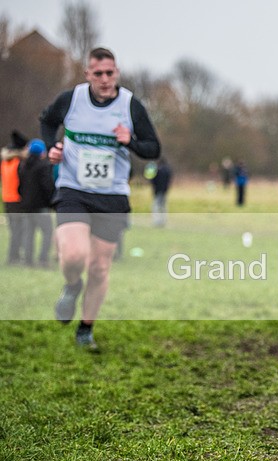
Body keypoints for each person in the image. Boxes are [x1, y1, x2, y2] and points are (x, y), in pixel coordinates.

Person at [40, 47, 161, 350]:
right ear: (88, 74)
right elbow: (47, 120)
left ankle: (86, 328)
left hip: (112, 196)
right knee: (74, 255)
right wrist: (52, 146)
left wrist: (130, 141)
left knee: (99, 267)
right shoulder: (72, 99)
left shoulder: (130, 105)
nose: (105, 79)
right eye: (98, 74)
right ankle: (72, 286)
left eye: (110, 73)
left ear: (116, 73)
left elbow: (153, 148)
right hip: (74, 190)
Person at [18, 139, 55, 267]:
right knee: (48, 232)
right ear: (42, 152)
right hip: (41, 206)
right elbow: (47, 186)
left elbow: (20, 187)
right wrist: (51, 201)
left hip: (27, 205)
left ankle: (28, 260)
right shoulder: (44, 166)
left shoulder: (23, 165)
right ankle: (43, 259)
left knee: (29, 233)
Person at [2, 130, 28, 265]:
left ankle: (13, 256)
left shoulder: (5, 162)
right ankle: (14, 257)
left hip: (7, 199)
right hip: (17, 200)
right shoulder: (18, 162)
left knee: (14, 230)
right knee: (18, 230)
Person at [151, 157, 172, 227]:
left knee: (156, 206)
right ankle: (163, 220)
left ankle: (156, 221)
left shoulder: (157, 170)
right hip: (165, 191)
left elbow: (153, 180)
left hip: (157, 190)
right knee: (163, 206)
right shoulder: (168, 170)